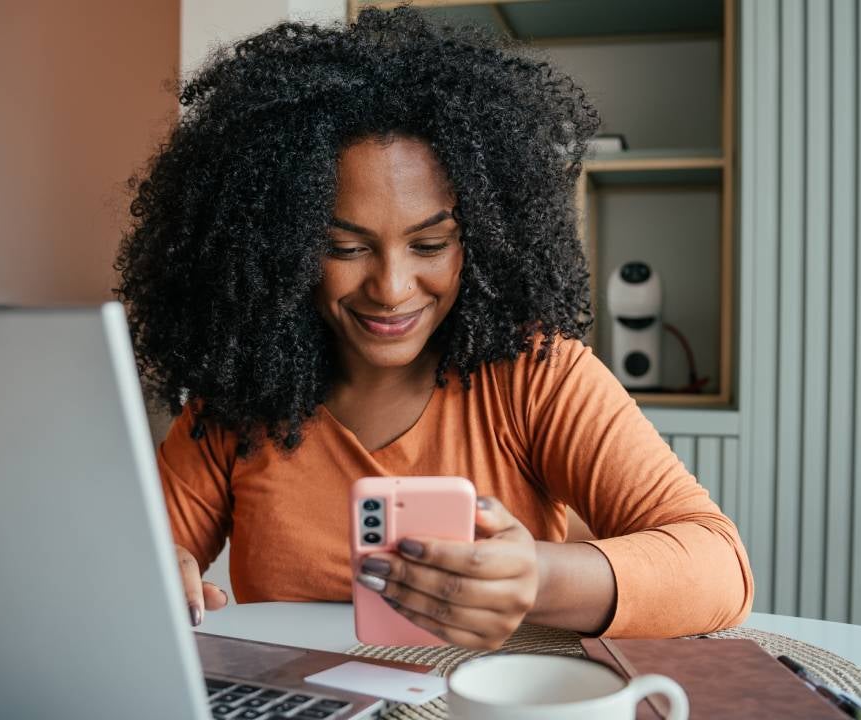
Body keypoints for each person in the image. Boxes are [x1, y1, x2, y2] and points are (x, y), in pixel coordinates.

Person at [115, 7, 752, 650]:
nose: (391, 290)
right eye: (344, 247)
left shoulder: (536, 374)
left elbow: (720, 567)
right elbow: (141, 557)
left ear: (481, 238)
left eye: (430, 244)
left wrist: (537, 577)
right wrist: (151, 571)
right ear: (278, 245)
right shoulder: (238, 399)